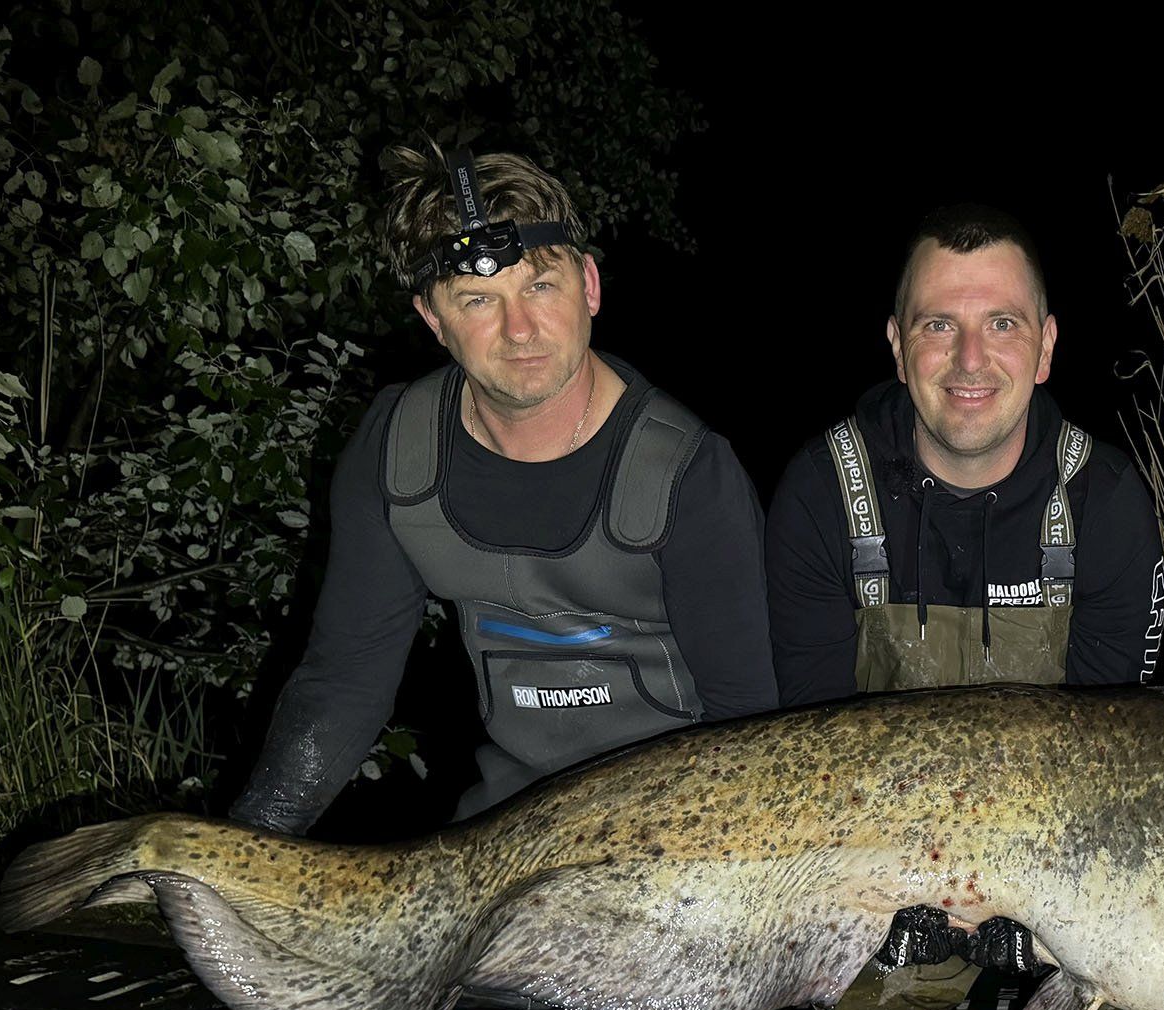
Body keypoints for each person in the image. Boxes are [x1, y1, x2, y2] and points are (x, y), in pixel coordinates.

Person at [232, 146, 776, 833]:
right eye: (479, 300)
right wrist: (250, 845)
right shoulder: (397, 452)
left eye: (541, 286)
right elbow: (346, 681)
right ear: (434, 319)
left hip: (680, 828)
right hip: (506, 827)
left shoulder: (690, 472)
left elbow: (754, 721)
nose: (519, 330)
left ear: (590, 286)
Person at [768, 203, 1164, 1010]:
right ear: (896, 343)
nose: (970, 359)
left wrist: (1028, 896)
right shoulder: (820, 492)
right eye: (939, 325)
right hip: (875, 867)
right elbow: (808, 750)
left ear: (1047, 346)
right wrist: (884, 897)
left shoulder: (1110, 502)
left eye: (1002, 324)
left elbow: (1123, 755)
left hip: (1064, 866)